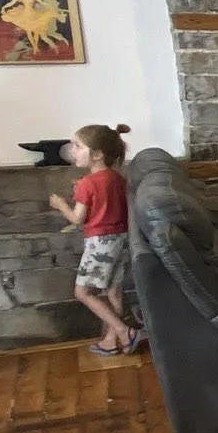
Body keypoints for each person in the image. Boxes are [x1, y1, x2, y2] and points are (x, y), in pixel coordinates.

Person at [48, 123, 140, 355]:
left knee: (83, 293)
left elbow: (77, 218)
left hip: (100, 242)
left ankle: (123, 330)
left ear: (97, 154)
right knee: (113, 290)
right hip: (120, 238)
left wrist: (61, 205)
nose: (72, 151)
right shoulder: (116, 177)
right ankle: (112, 341)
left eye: (78, 146)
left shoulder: (88, 183)